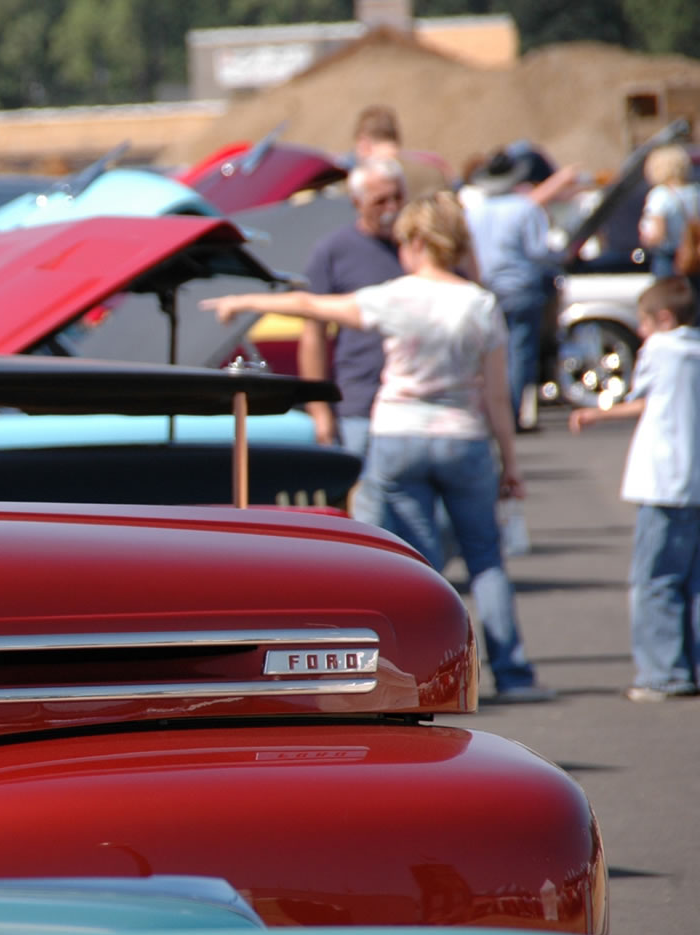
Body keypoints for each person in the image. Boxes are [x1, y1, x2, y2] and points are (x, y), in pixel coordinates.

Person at [202, 191, 552, 703]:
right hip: (463, 437)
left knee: (420, 562)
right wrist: (511, 463)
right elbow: (498, 395)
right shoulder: (479, 304)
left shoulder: (393, 296)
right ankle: (514, 674)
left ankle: (430, 670)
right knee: (487, 560)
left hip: (398, 433)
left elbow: (310, 306)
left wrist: (243, 302)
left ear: (416, 241)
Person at [569, 277, 700, 701]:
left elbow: (643, 396)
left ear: (664, 319)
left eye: (643, 322)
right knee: (697, 583)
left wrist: (597, 414)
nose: (639, 332)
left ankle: (662, 674)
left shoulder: (661, 348)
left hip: (663, 483)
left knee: (655, 581)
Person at [296, 156, 406, 526]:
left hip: (411, 403)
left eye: (397, 198)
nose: (391, 210)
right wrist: (319, 409)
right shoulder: (334, 250)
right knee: (366, 507)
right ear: (357, 203)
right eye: (381, 202)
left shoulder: (417, 248)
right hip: (358, 400)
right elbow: (312, 333)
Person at [464, 148, 561, 431]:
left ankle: (492, 413)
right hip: (520, 287)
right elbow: (539, 250)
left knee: (491, 353)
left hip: (487, 288)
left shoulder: (475, 211)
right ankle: (512, 414)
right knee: (519, 352)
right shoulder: (525, 208)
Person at [639, 144, 700, 310]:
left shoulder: (660, 195)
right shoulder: (698, 192)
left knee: (667, 305)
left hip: (669, 257)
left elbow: (657, 235)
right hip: (694, 256)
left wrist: (646, 236)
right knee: (694, 305)